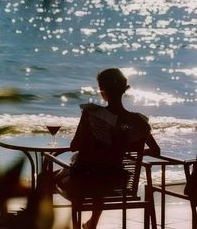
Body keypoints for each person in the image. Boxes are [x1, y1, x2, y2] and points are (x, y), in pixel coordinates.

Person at [56, 68, 160, 229]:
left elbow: (74, 145)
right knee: (103, 176)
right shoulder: (137, 122)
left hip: (85, 182)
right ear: (124, 90)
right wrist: (123, 151)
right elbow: (155, 150)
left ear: (102, 90)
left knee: (47, 176)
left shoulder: (92, 115)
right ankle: (92, 224)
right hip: (115, 182)